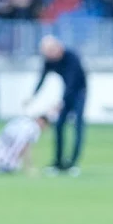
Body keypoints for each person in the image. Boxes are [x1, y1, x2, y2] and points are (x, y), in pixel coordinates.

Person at [28, 35, 87, 174]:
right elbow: (42, 78)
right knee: (59, 125)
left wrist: (61, 102)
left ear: (57, 48)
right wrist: (33, 96)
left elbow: (72, 83)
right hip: (66, 94)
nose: (48, 56)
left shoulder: (72, 58)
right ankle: (58, 162)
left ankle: (72, 163)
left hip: (79, 93)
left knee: (77, 125)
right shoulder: (50, 61)